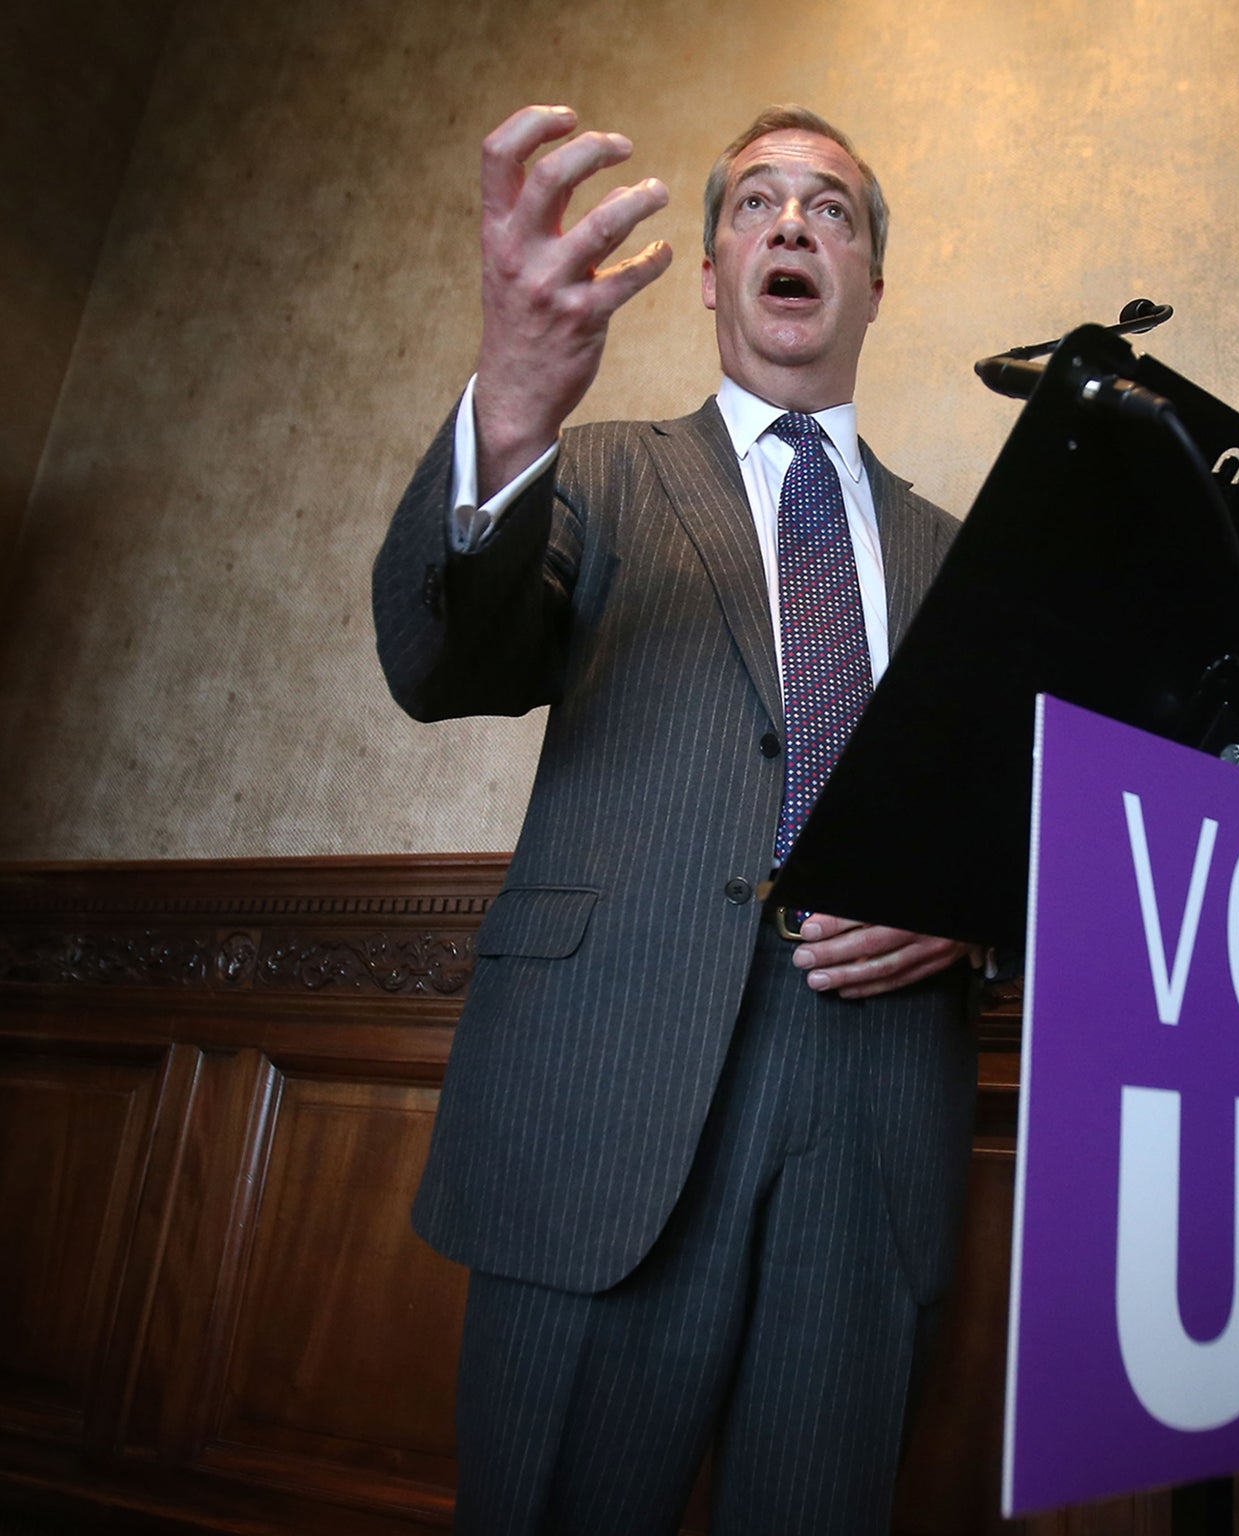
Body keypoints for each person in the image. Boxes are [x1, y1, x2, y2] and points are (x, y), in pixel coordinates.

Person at [371, 103, 978, 1535]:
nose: (789, 225)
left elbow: (1015, 826)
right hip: (610, 1100)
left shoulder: (960, 557)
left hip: (872, 1119)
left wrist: (969, 908)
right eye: (755, 203)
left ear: (872, 281)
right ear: (709, 270)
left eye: (830, 210)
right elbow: (444, 660)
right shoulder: (597, 476)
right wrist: (513, 406)